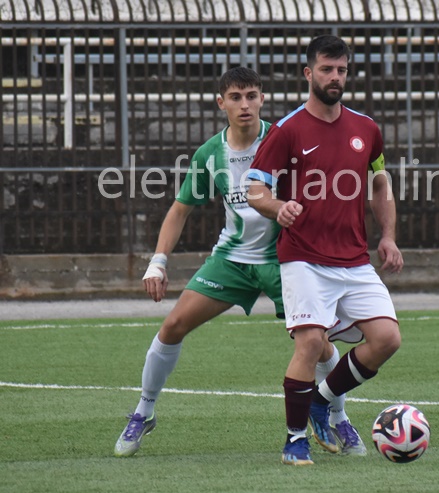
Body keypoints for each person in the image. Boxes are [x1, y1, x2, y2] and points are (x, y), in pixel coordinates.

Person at [113, 66, 359, 458]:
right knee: (173, 326)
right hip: (232, 260)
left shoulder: (286, 138)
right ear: (221, 103)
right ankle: (144, 412)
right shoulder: (210, 154)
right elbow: (179, 210)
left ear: (262, 99)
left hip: (287, 261)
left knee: (318, 343)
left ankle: (337, 416)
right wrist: (157, 262)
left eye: (251, 96)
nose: (244, 105)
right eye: (235, 97)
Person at [248, 35, 403, 466]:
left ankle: (322, 399)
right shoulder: (287, 130)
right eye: (326, 69)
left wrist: (388, 236)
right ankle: (294, 441)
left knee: (387, 339)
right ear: (308, 73)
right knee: (312, 341)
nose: (335, 77)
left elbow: (379, 183)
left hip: (353, 258)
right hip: (303, 257)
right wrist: (278, 207)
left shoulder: (366, 129)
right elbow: (255, 188)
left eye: (341, 70)